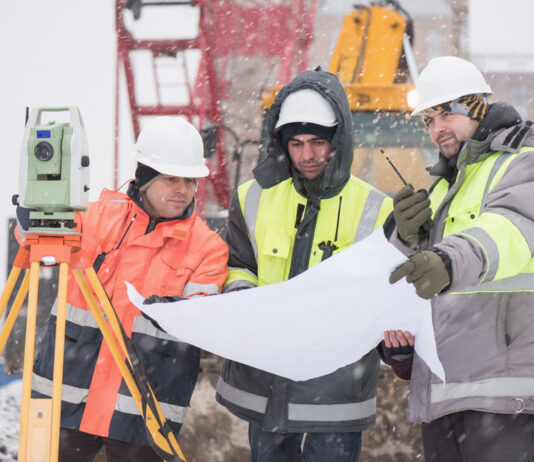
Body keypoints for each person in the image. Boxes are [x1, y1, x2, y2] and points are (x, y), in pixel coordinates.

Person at [23, 116, 228, 461]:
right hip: (70, 392)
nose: (183, 189)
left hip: (143, 408)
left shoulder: (208, 248)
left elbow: (199, 319)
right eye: (171, 178)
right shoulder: (97, 216)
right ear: (145, 177)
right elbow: (36, 240)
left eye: (190, 180)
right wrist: (34, 218)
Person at [215, 68, 394, 462]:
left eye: (317, 142)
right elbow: (238, 263)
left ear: (338, 141)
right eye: (295, 143)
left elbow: (387, 293)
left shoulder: (377, 208)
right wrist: (242, 295)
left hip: (336, 395)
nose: (307, 155)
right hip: (267, 386)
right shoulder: (251, 198)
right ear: (281, 143)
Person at [387, 56, 534, 461]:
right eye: (428, 121)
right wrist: (402, 236)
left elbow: (509, 228)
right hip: (445, 393)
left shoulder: (523, 160)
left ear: (475, 105)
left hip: (505, 395)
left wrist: (447, 261)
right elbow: (410, 276)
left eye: (444, 114)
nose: (436, 130)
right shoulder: (443, 187)